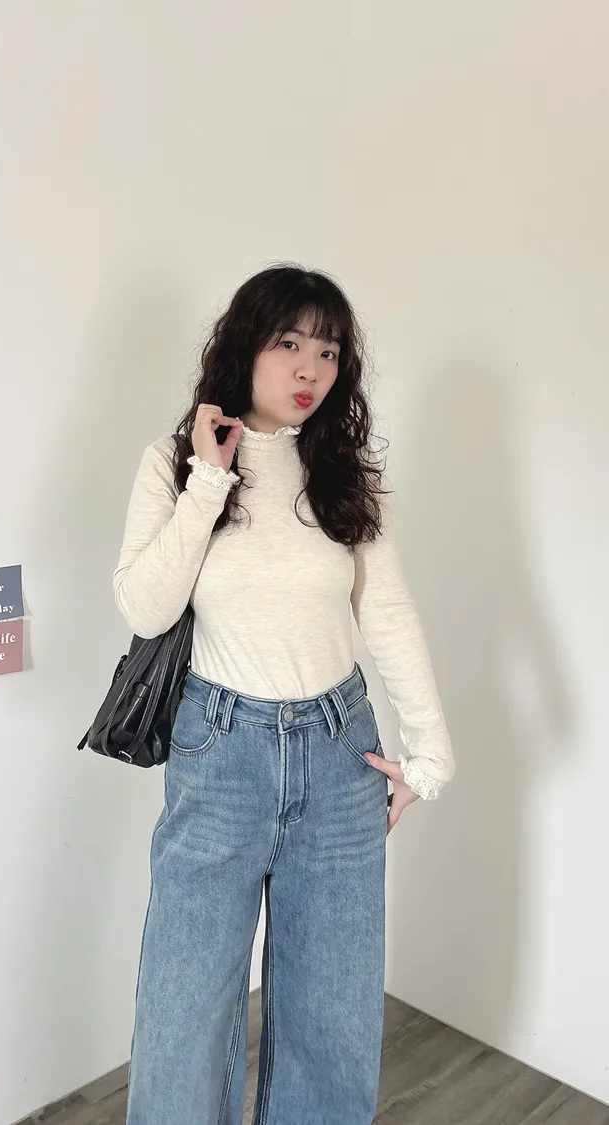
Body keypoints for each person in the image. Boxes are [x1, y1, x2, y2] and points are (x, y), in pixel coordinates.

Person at [113, 264, 454, 1125]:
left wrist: (429, 754)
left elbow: (387, 611)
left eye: (329, 351)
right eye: (289, 342)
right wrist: (209, 478)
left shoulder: (342, 474)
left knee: (330, 1016)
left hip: (341, 756)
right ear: (245, 346)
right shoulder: (172, 463)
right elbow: (146, 607)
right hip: (219, 752)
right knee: (185, 1008)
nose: (310, 368)